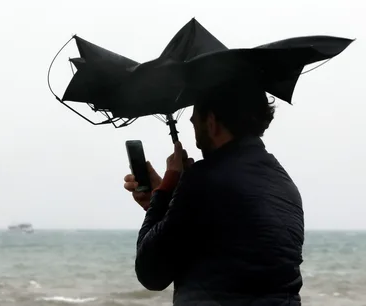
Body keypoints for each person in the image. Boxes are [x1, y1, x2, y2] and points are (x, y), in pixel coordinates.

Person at [123, 83, 304, 305]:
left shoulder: (203, 179)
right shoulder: (285, 185)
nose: (193, 126)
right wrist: (168, 199)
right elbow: (221, 235)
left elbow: (150, 272)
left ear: (211, 122)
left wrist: (168, 186)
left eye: (195, 120)